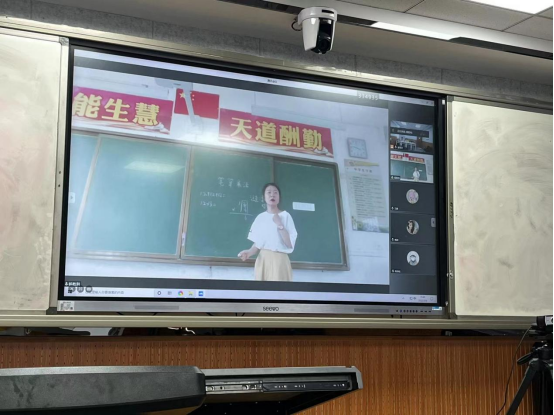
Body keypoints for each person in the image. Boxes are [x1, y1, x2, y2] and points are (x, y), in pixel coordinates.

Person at [238, 183, 298, 282]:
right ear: (264, 197)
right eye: (269, 192)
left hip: (280, 260)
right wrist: (249, 252)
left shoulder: (286, 216)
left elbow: (289, 244)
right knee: (262, 290)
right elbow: (258, 243)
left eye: (275, 193)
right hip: (263, 259)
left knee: (280, 290)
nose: (272, 195)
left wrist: (280, 224)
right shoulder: (260, 217)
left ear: (279, 197)